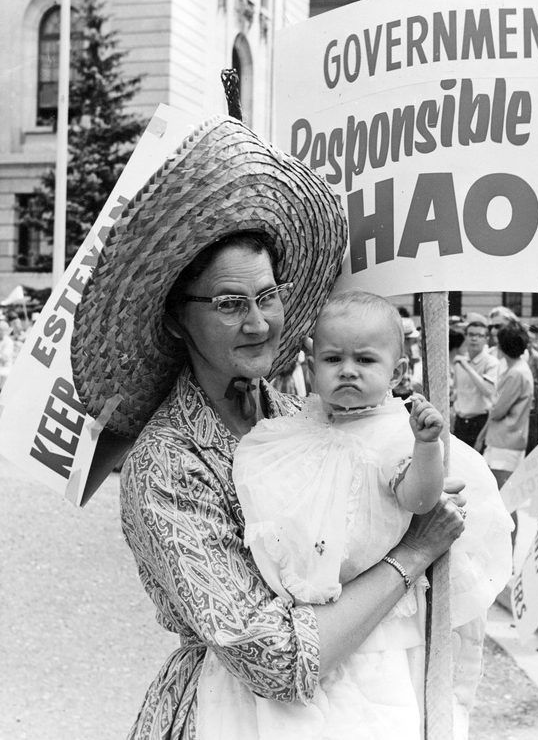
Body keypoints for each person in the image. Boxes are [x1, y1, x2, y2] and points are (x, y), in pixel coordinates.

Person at [70, 116, 474, 739]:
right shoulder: (167, 466)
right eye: (230, 304)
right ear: (178, 320)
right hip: (227, 715)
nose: (259, 323)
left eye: (268, 295)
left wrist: (417, 483)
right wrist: (414, 552)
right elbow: (278, 662)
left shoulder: (303, 416)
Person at [232, 290, 513, 739]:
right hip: (314, 609)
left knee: (371, 711)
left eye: (364, 360)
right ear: (311, 365)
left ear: (397, 372)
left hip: (378, 612)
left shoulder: (394, 433)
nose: (347, 370)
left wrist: (425, 448)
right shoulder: (297, 429)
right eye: (332, 359)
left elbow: (420, 500)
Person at [479, 321, 533, 550]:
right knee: (503, 500)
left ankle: (507, 553)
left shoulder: (515, 373)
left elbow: (499, 410)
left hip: (506, 442)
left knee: (505, 502)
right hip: (506, 440)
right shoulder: (518, 369)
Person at [452, 320, 499, 449]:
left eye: (479, 336)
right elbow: (457, 391)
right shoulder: (460, 361)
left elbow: (488, 391)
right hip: (460, 421)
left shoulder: (491, 362)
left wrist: (468, 368)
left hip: (479, 421)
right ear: (466, 337)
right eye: (471, 334)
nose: (474, 339)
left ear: (486, 339)